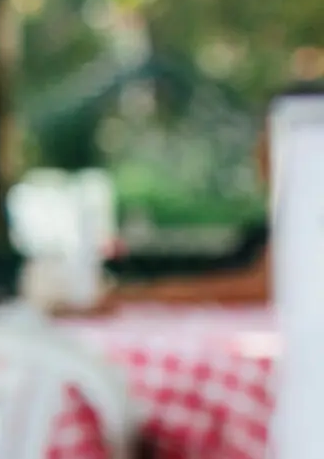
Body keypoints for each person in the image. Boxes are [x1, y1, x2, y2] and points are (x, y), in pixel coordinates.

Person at [100, 80, 322, 309]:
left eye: (269, 139)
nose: (259, 152)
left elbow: (263, 288)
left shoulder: (311, 211)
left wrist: (137, 298)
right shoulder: (295, 214)